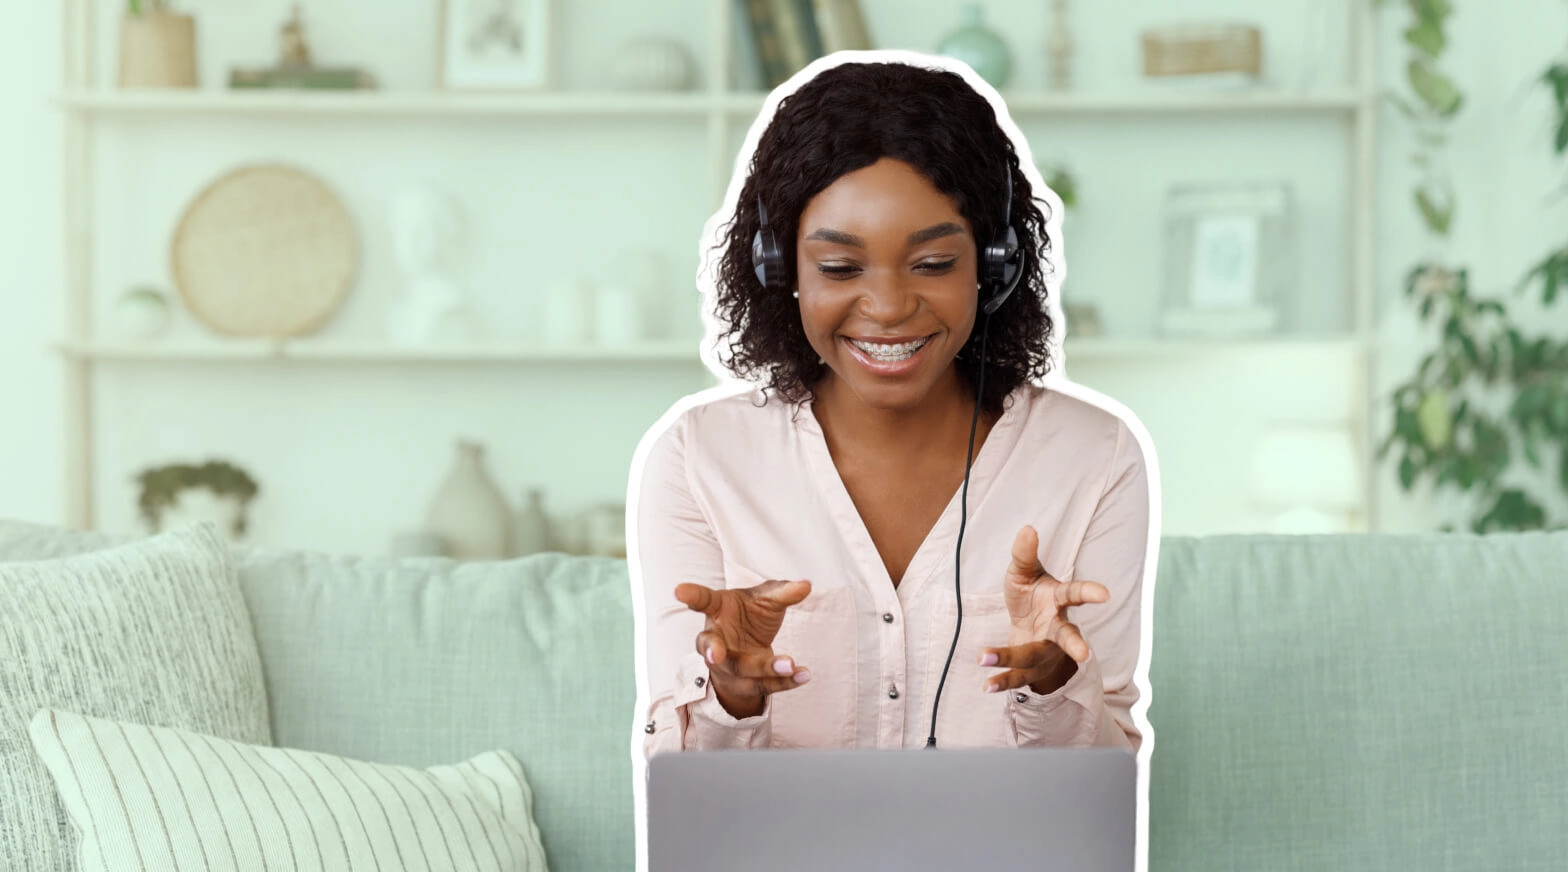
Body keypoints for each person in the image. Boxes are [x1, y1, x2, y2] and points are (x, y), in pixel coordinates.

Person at [628, 55, 1155, 766]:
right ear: (778, 269)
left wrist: (1057, 688)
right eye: (841, 269)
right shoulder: (699, 461)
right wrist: (732, 697)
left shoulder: (1095, 457)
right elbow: (684, 791)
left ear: (995, 267)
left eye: (934, 265)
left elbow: (1102, 783)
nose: (888, 308)